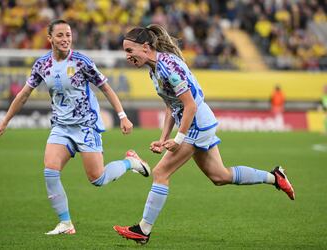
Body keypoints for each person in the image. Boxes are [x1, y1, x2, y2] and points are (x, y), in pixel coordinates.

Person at [113, 24, 295, 244]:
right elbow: (172, 106)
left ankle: (143, 230)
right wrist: (163, 140)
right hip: (197, 123)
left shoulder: (168, 67)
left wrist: (178, 139)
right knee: (220, 176)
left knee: (161, 172)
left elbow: (190, 106)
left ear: (145, 47)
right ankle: (275, 177)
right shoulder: (154, 69)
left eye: (129, 51)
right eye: (125, 52)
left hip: (196, 124)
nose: (127, 56)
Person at [0, 19, 151, 235]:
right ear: (50, 38)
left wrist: (123, 116)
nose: (65, 39)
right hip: (61, 127)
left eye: (68, 35)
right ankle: (66, 223)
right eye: (60, 35)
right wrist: (4, 122)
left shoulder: (81, 62)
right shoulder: (42, 65)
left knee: (98, 179)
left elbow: (106, 88)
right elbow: (24, 94)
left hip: (86, 126)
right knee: (50, 171)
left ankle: (130, 162)